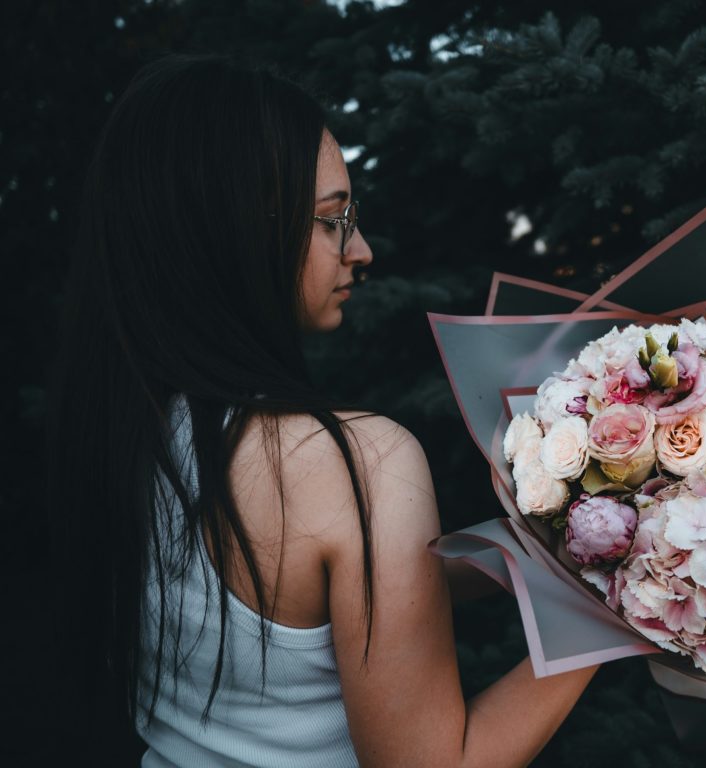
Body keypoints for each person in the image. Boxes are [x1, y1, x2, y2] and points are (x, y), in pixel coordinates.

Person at [46, 53, 598, 767]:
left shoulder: (131, 422)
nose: (360, 251)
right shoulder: (357, 464)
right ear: (238, 229)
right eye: (333, 219)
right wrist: (613, 606)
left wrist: (531, 559)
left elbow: (294, 620)